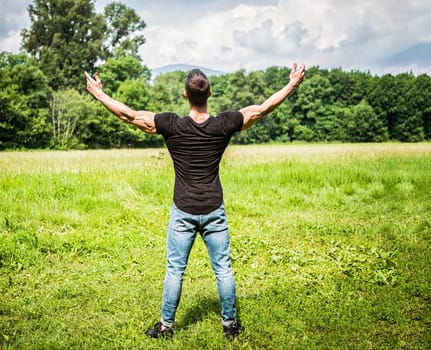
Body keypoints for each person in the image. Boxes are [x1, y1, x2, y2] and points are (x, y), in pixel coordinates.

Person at [85, 63, 305, 339]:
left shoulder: (171, 125)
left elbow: (129, 116)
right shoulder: (224, 124)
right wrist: (292, 84)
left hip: (184, 209)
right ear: (209, 93)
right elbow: (261, 109)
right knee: (222, 268)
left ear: (185, 95)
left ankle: (166, 327)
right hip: (214, 208)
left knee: (175, 270)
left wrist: (99, 95)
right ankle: (230, 326)